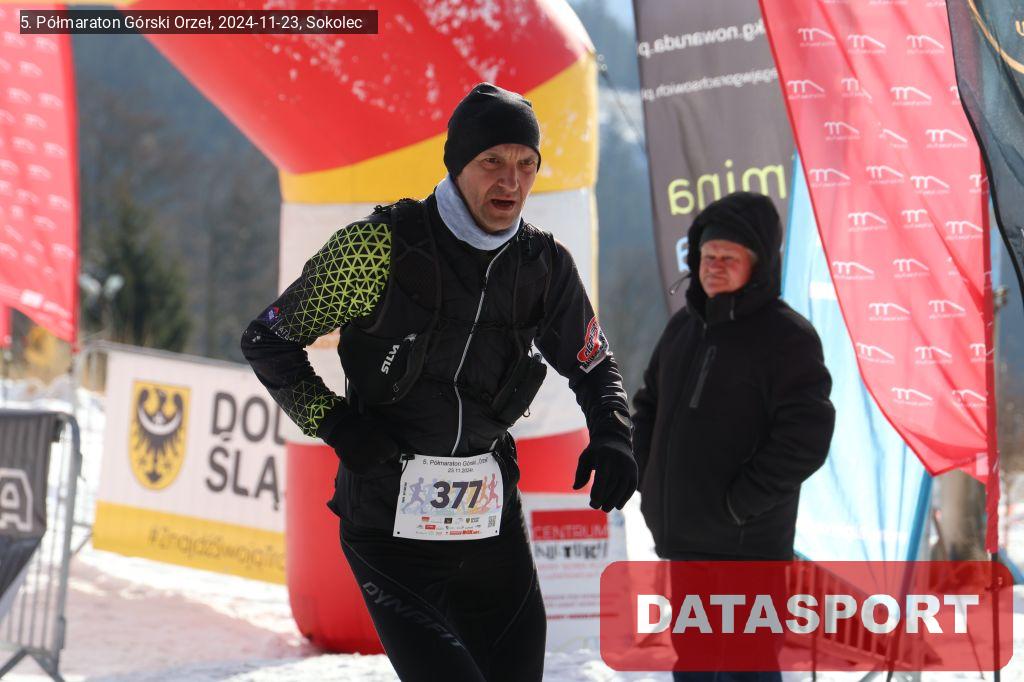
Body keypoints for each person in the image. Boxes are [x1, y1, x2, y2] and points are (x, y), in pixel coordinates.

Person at [241, 83, 637, 682]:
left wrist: (611, 432)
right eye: (492, 161)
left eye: (526, 164)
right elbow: (268, 339)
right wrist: (337, 424)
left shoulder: (543, 266)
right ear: (456, 165)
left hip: (489, 527)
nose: (511, 181)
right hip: (388, 528)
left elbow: (594, 363)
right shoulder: (379, 248)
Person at [632, 192, 835, 681]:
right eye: (707, 256)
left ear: (758, 265)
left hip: (747, 551)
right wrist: (648, 476)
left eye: (729, 258)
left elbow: (806, 436)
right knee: (694, 667)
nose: (714, 267)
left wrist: (742, 503)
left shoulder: (788, 337)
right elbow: (647, 406)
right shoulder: (683, 328)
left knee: (747, 669)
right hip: (686, 544)